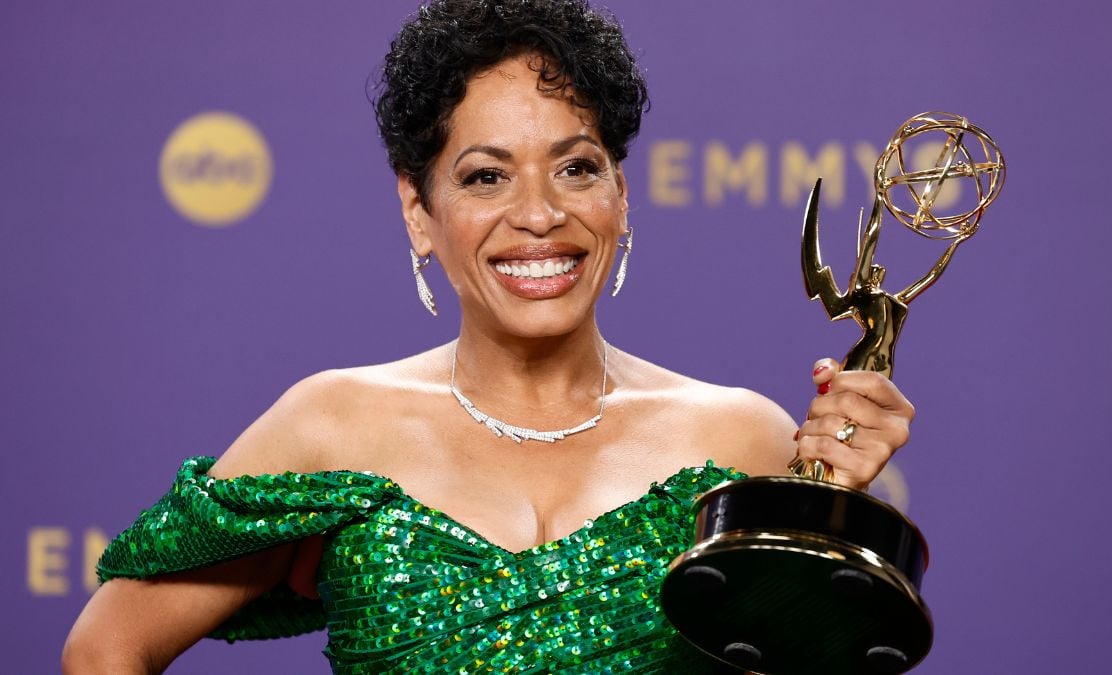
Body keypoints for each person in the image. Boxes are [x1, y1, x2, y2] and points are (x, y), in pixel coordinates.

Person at [62, 1, 915, 672]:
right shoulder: (332, 426)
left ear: (620, 192)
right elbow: (105, 648)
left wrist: (842, 515)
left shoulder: (742, 438)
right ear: (417, 210)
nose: (540, 215)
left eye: (577, 167)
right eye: (485, 176)